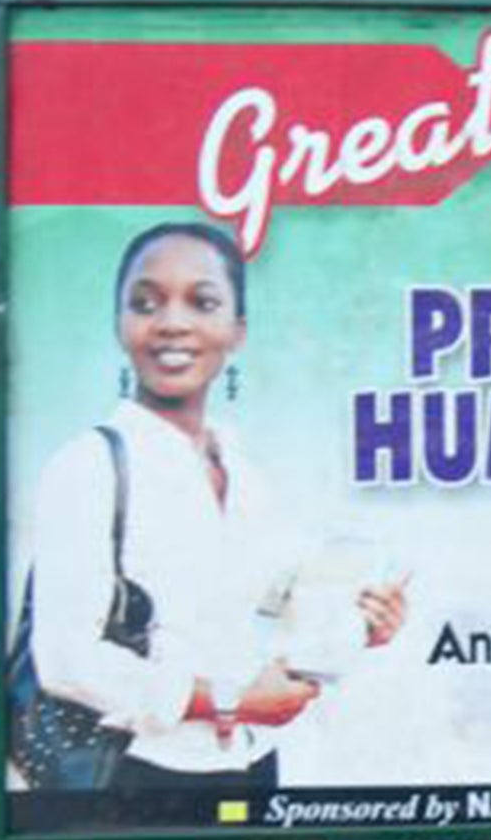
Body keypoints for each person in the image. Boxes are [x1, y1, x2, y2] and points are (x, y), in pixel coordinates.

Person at [23, 221, 407, 796]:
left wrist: (358, 627)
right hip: (133, 772)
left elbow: (274, 622)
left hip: (253, 765)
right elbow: (63, 659)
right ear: (121, 325)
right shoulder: (88, 466)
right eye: (145, 302)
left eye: (202, 302)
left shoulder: (250, 478)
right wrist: (229, 701)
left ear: (237, 331)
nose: (172, 322)